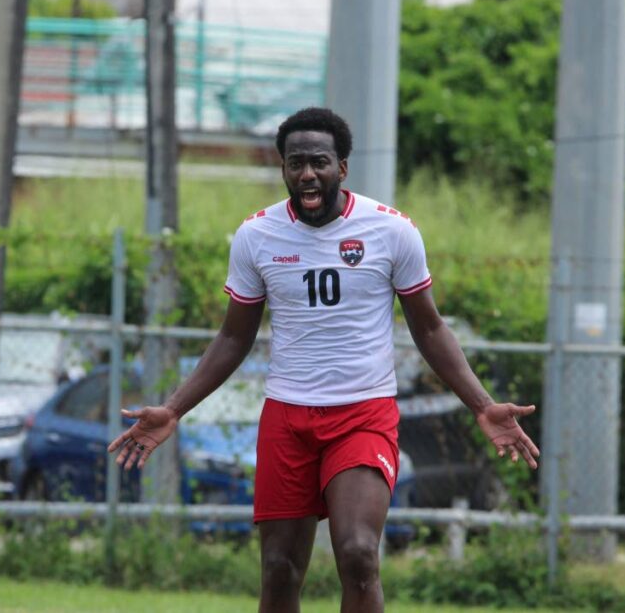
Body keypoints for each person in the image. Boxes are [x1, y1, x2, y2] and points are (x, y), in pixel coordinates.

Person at [108, 107, 539, 613]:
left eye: (319, 162)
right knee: (279, 569)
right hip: (287, 418)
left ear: (342, 167)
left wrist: (482, 405)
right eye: (295, 164)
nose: (307, 173)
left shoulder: (391, 231)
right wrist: (175, 408)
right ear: (284, 170)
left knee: (358, 553)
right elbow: (232, 336)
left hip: (362, 414)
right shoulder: (257, 236)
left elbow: (429, 327)